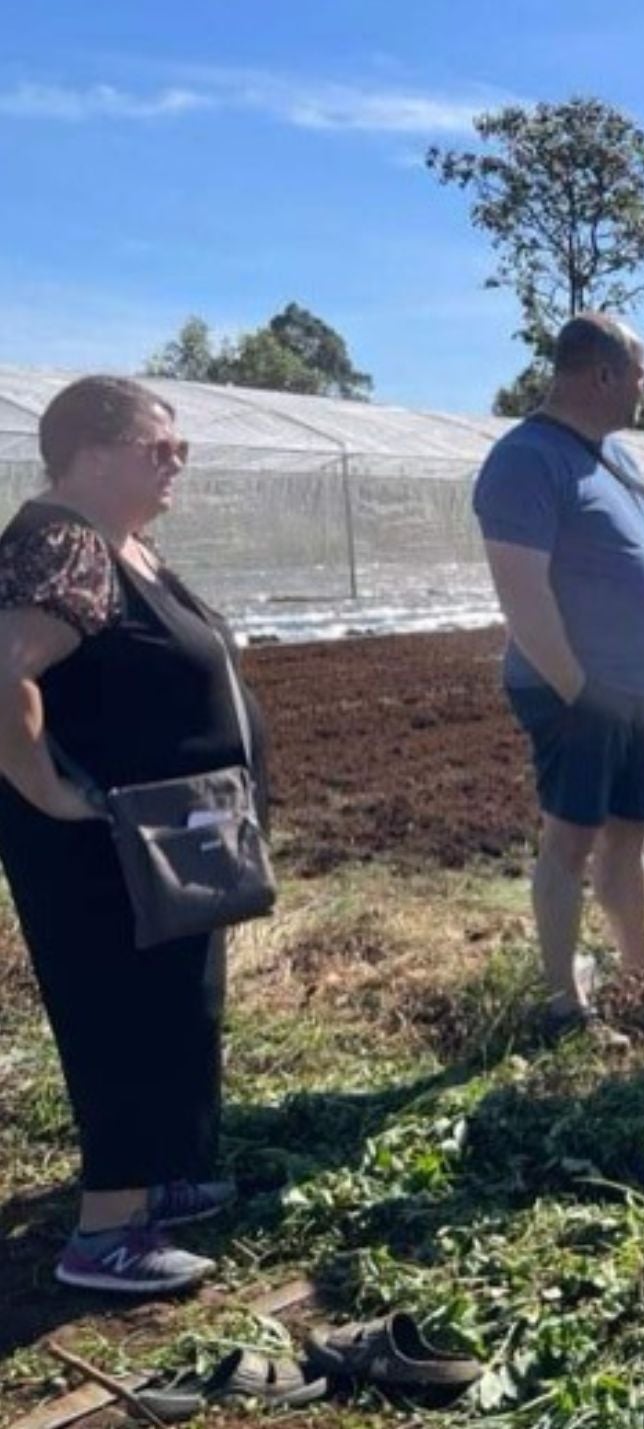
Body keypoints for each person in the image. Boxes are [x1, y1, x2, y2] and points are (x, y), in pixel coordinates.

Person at [0, 376, 265, 1292]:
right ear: (93, 452)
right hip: (103, 849)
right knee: (118, 1009)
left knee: (178, 1000)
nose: (178, 460)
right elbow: (5, 678)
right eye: (161, 447)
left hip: (173, 839)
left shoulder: (124, 543)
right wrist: (53, 793)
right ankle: (107, 1228)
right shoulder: (61, 541)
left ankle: (164, 1176)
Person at [473, 315, 644, 1046]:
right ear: (603, 375)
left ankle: (641, 967)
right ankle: (565, 1003)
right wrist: (575, 685)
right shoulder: (527, 459)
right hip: (581, 692)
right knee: (570, 839)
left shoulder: (613, 458)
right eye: (641, 376)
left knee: (629, 834)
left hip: (637, 691)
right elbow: (522, 594)